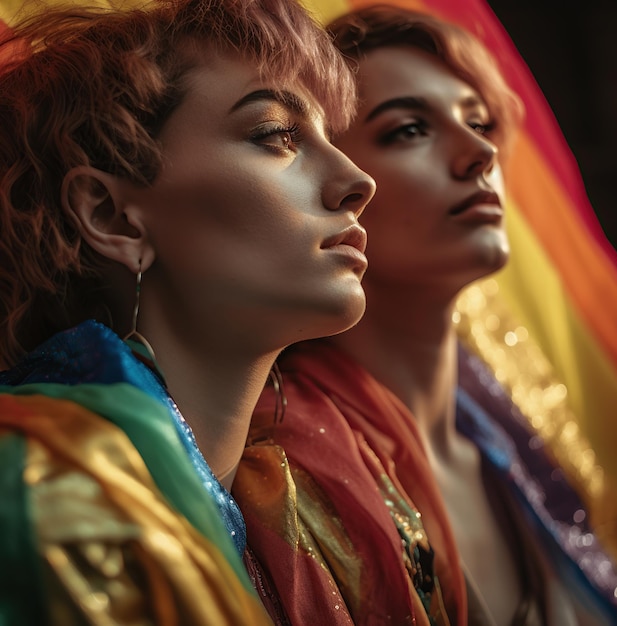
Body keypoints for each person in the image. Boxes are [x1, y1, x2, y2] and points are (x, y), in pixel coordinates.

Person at [233, 6, 617, 625]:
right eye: (409, 130)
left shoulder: (521, 429)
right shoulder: (277, 471)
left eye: (480, 122)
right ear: (330, 181)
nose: (478, 153)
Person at [0, 0, 375, 623]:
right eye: (276, 134)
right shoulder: (39, 495)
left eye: (326, 137)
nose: (357, 179)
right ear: (110, 216)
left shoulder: (322, 514)